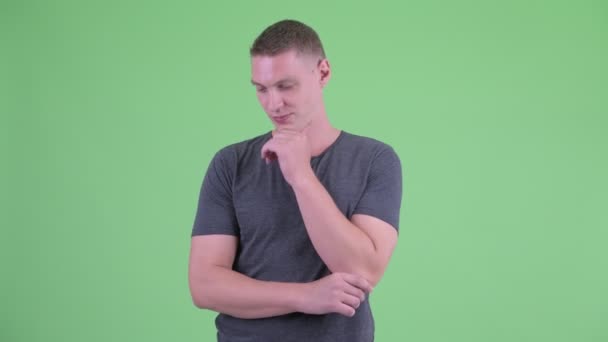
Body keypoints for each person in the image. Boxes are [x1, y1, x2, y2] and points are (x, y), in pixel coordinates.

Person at [188, 19, 403, 342]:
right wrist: (306, 296)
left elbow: (363, 271)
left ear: (323, 73)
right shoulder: (230, 163)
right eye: (261, 89)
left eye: (286, 86)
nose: (273, 103)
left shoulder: (375, 159)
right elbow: (204, 286)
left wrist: (301, 175)